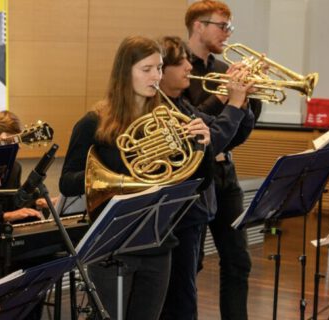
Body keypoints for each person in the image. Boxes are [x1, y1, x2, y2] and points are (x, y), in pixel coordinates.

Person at [59, 36, 210, 320]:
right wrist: (126, 176)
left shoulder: (169, 118)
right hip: (111, 245)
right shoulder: (94, 121)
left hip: (157, 241)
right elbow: (66, 182)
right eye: (147, 69)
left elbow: (200, 180)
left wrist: (204, 145)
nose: (156, 76)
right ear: (124, 71)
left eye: (159, 68)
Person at [156, 35, 255, 320]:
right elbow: (209, 147)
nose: (189, 66)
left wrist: (242, 102)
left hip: (197, 208)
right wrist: (232, 103)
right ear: (163, 71)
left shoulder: (181, 105)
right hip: (181, 212)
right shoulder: (166, 107)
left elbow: (225, 133)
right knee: (180, 296)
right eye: (182, 62)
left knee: (188, 288)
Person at [184, 2, 261, 319]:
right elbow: (189, 118)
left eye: (230, 27)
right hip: (195, 178)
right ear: (198, 26)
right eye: (221, 25)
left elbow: (235, 136)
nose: (228, 33)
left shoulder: (220, 69)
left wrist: (248, 98)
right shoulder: (177, 69)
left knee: (238, 260)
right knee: (194, 261)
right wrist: (225, 97)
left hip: (225, 173)